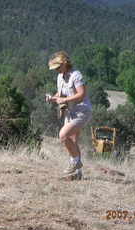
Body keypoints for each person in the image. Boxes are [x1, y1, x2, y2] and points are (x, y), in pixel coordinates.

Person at [46, 51, 92, 180]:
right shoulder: (60, 77)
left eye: (57, 67)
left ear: (64, 64)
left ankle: (76, 162)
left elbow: (81, 94)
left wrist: (65, 100)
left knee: (63, 135)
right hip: (70, 112)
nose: (56, 71)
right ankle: (77, 174)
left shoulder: (76, 75)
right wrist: (52, 98)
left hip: (82, 111)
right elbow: (61, 94)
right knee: (72, 142)